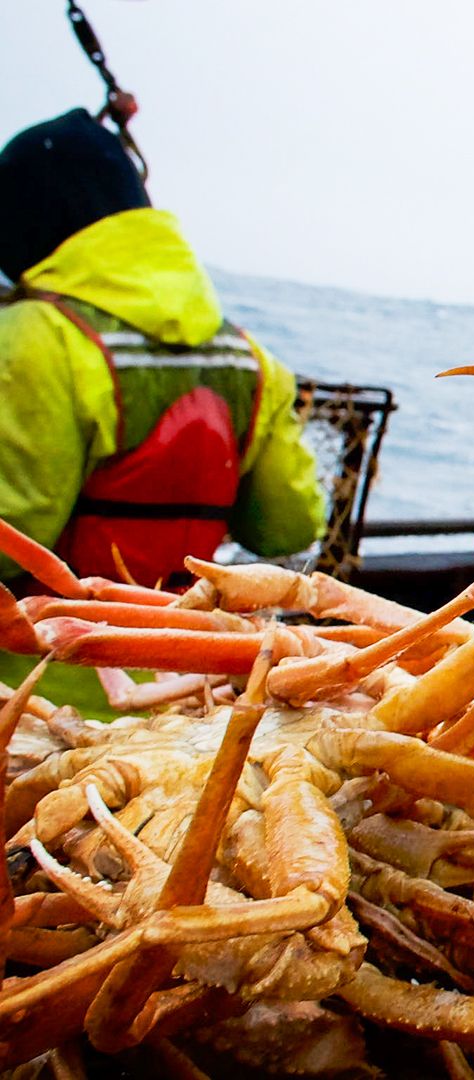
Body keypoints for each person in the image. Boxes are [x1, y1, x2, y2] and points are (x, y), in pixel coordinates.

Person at [0, 109, 326, 710]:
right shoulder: (251, 357)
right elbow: (289, 526)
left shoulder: (29, 336)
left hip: (37, 694)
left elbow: (13, 531)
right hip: (189, 688)